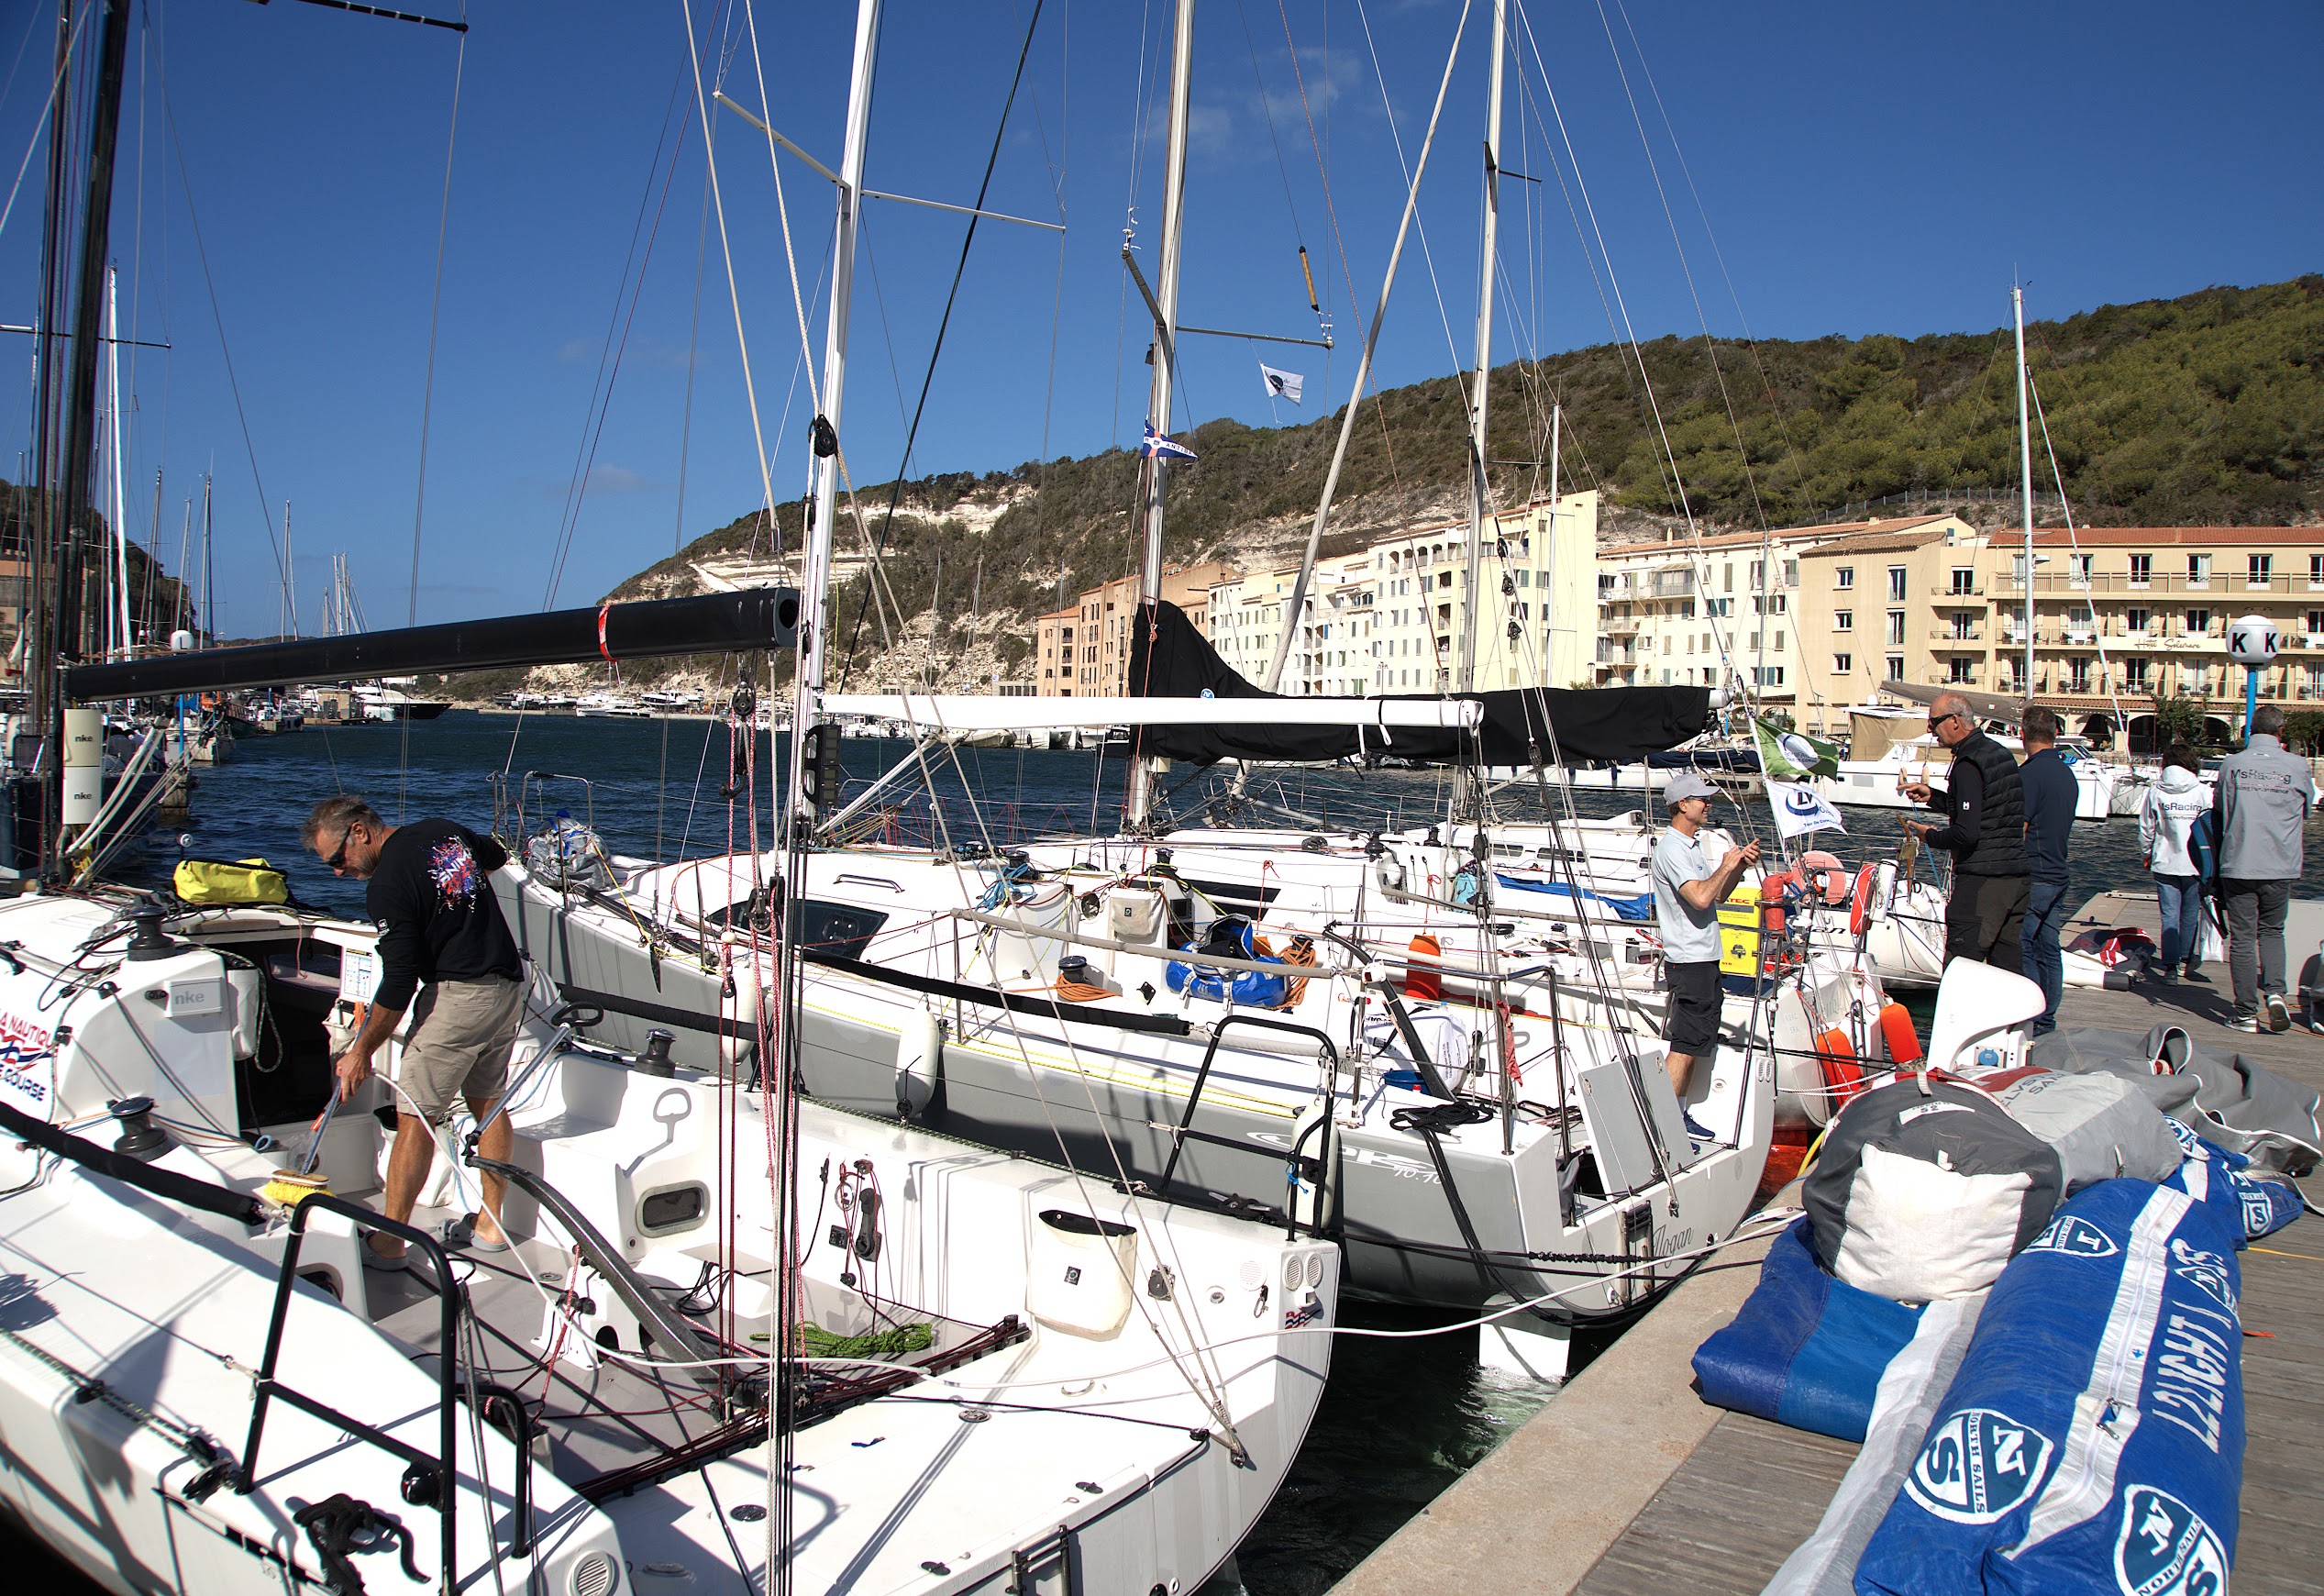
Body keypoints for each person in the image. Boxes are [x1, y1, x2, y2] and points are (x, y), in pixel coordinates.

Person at [304, 795, 524, 1269]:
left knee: (416, 1115)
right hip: (506, 987)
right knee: (488, 1100)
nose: (339, 872)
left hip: (460, 996)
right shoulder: (443, 830)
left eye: (339, 860)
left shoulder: (385, 885)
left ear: (360, 831)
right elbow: (498, 855)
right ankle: (490, 1226)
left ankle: (390, 1243)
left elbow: (399, 980)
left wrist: (361, 1051)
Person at [1649, 772, 1761, 1144]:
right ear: (1683, 805)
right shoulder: (1672, 849)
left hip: (1705, 958)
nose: (1708, 804)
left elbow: (1717, 895)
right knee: (1685, 1044)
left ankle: (1678, 1115)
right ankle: (1663, 1121)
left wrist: (1739, 866)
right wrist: (1726, 865)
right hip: (1690, 961)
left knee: (1696, 1042)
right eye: (1702, 799)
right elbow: (1698, 897)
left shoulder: (1691, 846)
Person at [1901, 693, 2031, 975]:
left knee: (1960, 969)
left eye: (1934, 721)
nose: (1929, 729)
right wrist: (1934, 797)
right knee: (2007, 970)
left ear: (1955, 721)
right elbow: (1988, 810)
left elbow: (1966, 834)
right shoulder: (1998, 753)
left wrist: (1930, 836)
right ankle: (2014, 1021)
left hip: (1984, 881)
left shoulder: (1969, 762)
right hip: (2015, 877)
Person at [2211, 704, 2316, 1034]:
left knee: (2242, 938)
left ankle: (2245, 1013)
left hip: (2240, 861)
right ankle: (2275, 993)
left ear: (2249, 730)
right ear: (2281, 732)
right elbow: (2306, 810)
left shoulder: (2233, 764)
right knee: (2272, 931)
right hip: (2280, 863)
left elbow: (2221, 812)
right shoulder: (2298, 766)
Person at [2016, 706, 2077, 1036]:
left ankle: (2033, 1014)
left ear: (2022, 735)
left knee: (2024, 943)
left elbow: (2020, 828)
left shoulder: (2029, 775)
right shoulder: (2067, 774)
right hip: (2058, 870)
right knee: (2049, 947)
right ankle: (2048, 1017)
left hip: (2035, 873)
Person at [2139, 744, 2212, 985]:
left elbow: (2147, 828)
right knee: (2191, 915)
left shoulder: (2156, 791)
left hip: (2164, 860)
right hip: (2196, 865)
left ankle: (2170, 967)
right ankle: (2184, 959)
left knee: (2169, 915)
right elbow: (2210, 830)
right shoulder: (2202, 792)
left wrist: (2146, 853)